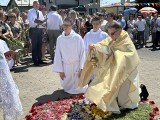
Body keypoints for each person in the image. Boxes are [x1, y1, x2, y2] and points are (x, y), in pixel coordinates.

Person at [79, 21, 140, 113]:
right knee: (112, 91)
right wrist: (94, 47)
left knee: (124, 100)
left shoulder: (126, 40)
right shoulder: (112, 38)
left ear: (119, 31)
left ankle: (135, 98)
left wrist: (112, 53)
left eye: (112, 33)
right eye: (109, 33)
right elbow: (104, 45)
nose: (110, 36)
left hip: (127, 72)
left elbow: (128, 56)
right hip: (117, 70)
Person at [53, 17, 88, 94]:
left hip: (76, 65)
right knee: (66, 86)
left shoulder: (77, 38)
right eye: (64, 25)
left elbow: (82, 54)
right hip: (66, 66)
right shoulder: (60, 39)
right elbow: (58, 55)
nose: (65, 27)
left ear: (71, 26)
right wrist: (60, 70)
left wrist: (82, 68)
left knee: (80, 88)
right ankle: (67, 86)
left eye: (67, 25)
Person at [0, 50, 23, 120]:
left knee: (8, 103)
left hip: (4, 78)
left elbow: (7, 66)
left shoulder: (2, 43)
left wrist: (10, 57)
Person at [27, 1, 46, 66]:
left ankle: (40, 59)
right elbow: (30, 22)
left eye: (38, 5)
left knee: (39, 45)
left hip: (40, 29)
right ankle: (35, 61)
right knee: (34, 46)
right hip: (34, 29)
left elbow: (42, 20)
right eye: (36, 5)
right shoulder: (30, 11)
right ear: (33, 5)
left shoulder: (40, 12)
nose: (37, 6)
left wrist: (43, 23)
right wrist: (37, 23)